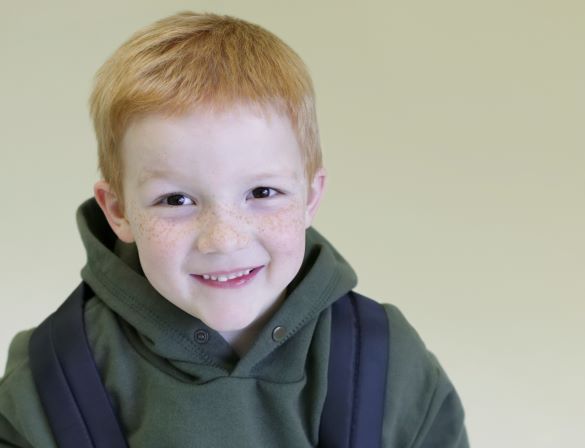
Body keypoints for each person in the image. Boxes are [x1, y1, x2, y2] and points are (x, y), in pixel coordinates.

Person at [0, 12, 469, 447]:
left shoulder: (387, 363)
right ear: (118, 211)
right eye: (177, 200)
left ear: (311, 195)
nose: (224, 239)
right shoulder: (48, 377)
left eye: (262, 193)